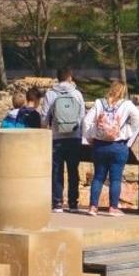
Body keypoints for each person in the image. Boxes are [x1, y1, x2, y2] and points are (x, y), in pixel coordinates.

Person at [82, 80, 139, 216]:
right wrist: (127, 131)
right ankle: (113, 208)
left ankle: (93, 207)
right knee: (115, 179)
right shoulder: (127, 104)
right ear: (123, 91)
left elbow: (86, 121)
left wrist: (90, 136)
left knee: (98, 177)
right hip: (118, 145)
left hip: (99, 145)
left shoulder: (99, 103)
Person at [41, 67, 86, 212]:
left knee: (56, 170)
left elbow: (44, 117)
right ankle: (73, 203)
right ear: (70, 77)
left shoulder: (51, 94)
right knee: (73, 170)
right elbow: (82, 116)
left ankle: (57, 203)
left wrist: (46, 129)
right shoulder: (77, 94)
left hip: (56, 137)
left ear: (58, 78)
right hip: (74, 137)